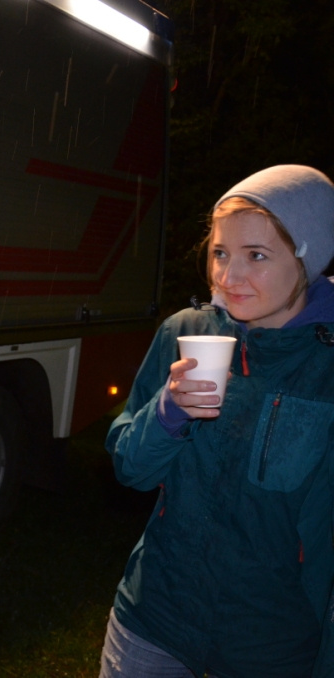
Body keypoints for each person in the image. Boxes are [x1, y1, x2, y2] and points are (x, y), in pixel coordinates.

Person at [98, 164, 334, 677]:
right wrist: (167, 412)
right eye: (221, 253)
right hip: (154, 619)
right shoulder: (184, 332)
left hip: (271, 647)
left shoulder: (324, 366)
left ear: (307, 258)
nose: (228, 277)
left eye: (256, 256)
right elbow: (130, 469)